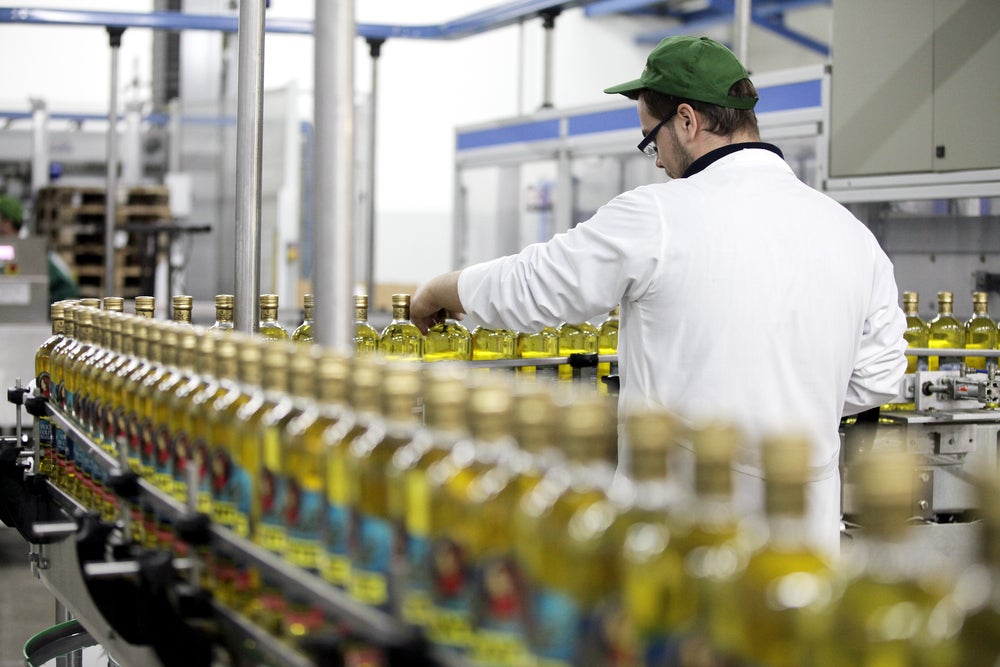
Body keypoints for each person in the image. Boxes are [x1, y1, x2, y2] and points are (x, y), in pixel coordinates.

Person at [410, 36, 907, 557]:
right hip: (807, 549)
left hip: (683, 540)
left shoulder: (658, 215)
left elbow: (534, 286)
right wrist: (788, 401)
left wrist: (438, 290)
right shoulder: (852, 235)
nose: (657, 163)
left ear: (687, 121)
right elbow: (879, 376)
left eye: (652, 140)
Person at [0, 194, 79, 303]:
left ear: (7, 222)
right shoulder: (4, 248)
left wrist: (44, 307)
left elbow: (68, 288)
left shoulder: (36, 252)